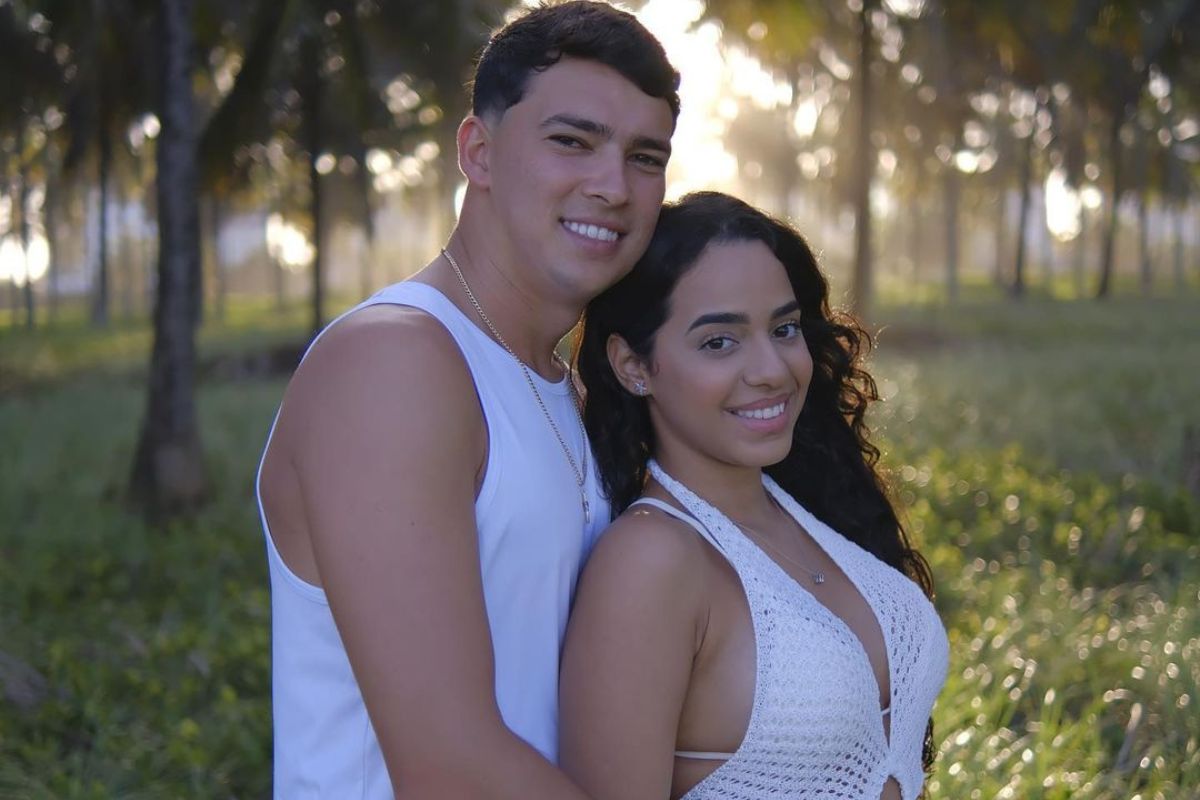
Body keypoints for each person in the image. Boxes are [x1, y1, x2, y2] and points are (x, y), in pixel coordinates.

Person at [254, 3, 679, 797]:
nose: (613, 186)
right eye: (572, 141)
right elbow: (447, 764)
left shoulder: (566, 386)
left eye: (645, 158)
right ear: (478, 152)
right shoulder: (392, 361)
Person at [562, 192, 949, 800]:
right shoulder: (651, 563)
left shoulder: (804, 508)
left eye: (784, 329)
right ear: (633, 365)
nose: (772, 369)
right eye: (719, 342)